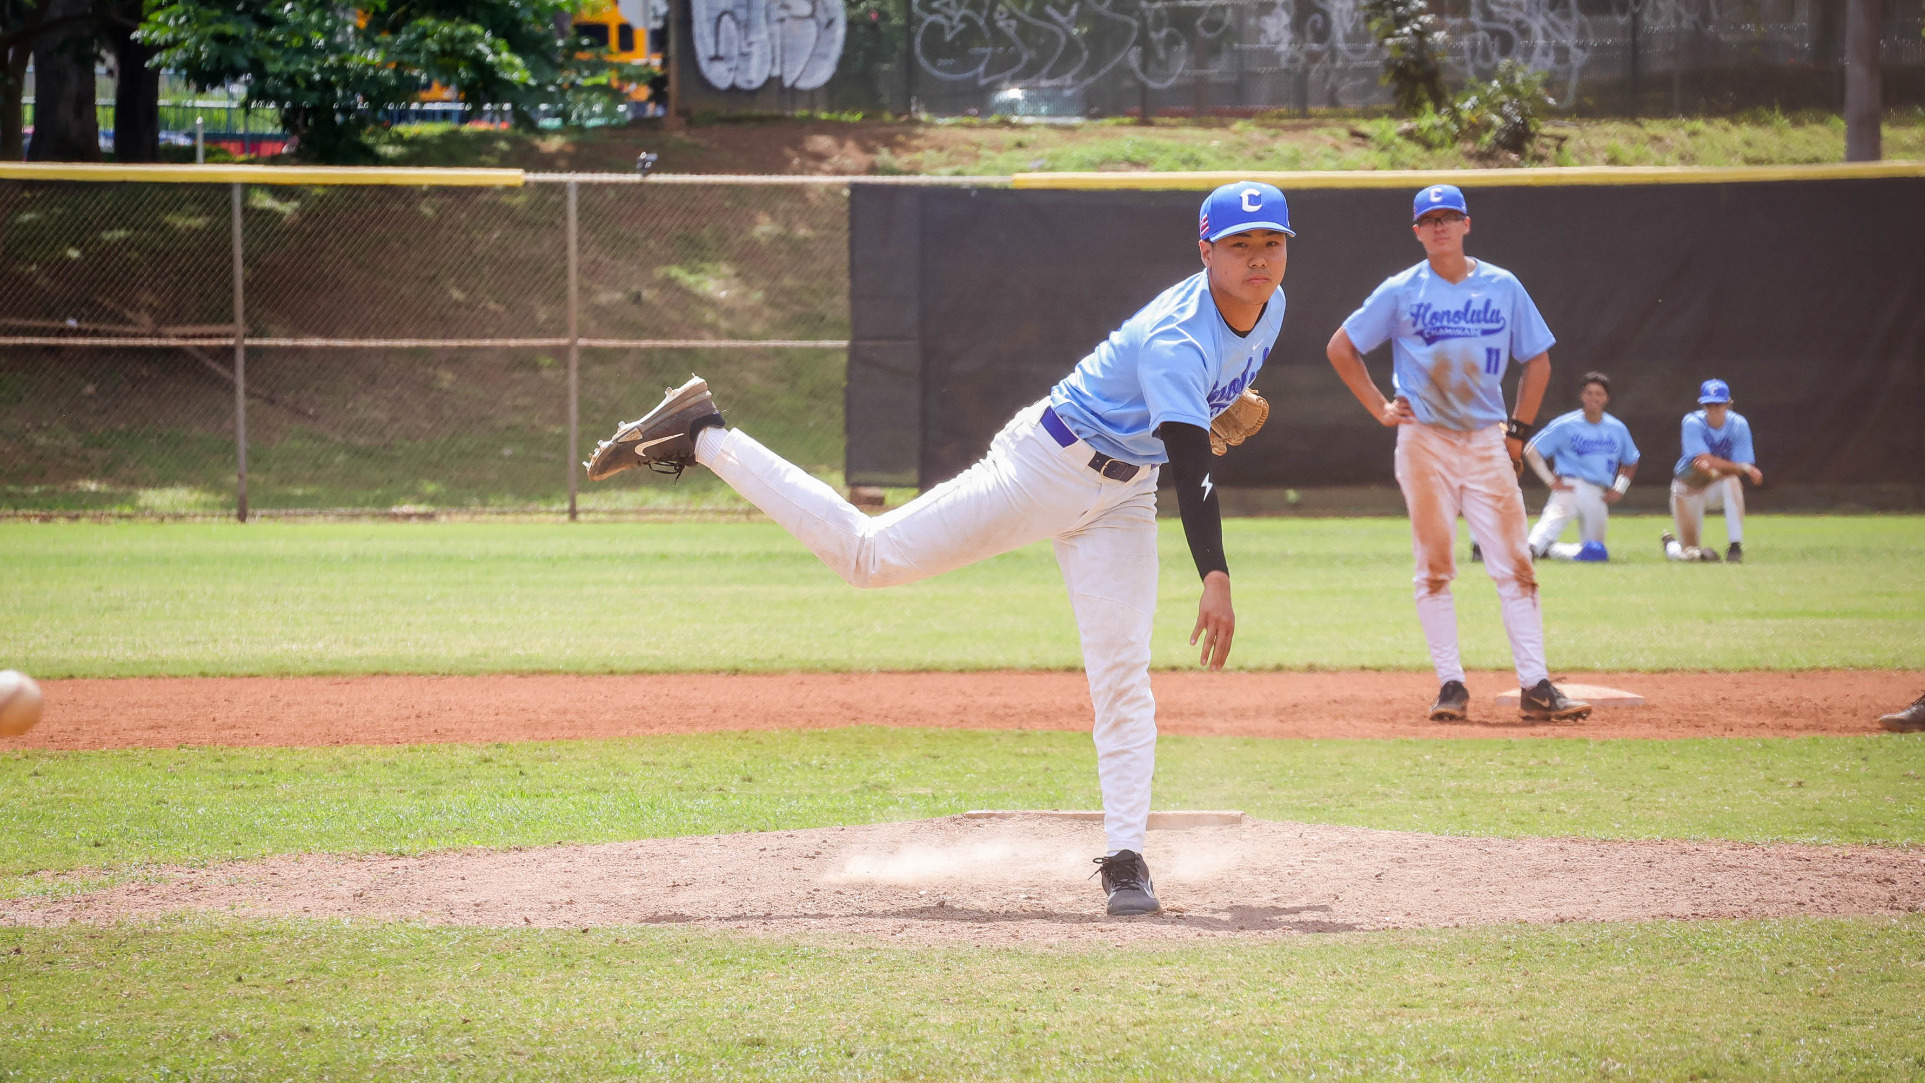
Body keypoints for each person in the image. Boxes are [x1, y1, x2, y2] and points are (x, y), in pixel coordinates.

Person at [584, 181, 1294, 917]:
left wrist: (1209, 402)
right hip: (1044, 467)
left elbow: (1190, 412)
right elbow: (1193, 465)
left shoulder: (1269, 306)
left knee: (1122, 674)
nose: (1257, 259)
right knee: (869, 558)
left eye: (1270, 243)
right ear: (1204, 251)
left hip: (1124, 493)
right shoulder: (1178, 339)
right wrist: (1214, 573)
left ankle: (1125, 858)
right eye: (1238, 245)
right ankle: (704, 435)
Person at [1325, 183, 1591, 724]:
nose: (1440, 226)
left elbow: (1537, 360)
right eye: (1430, 220)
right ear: (1417, 231)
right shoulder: (1402, 290)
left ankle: (1536, 686)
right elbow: (1341, 347)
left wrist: (1517, 433)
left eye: (1449, 217)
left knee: (1516, 565)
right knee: (1435, 566)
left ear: (1466, 224)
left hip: (1487, 438)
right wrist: (1380, 407)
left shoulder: (1502, 285)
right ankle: (1451, 686)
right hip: (1424, 440)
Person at [1522, 371, 1640, 562]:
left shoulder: (1616, 428)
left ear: (1606, 398)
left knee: (1595, 553)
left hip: (1598, 492)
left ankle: (1551, 551)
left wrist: (1620, 488)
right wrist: (1550, 480)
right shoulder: (1567, 424)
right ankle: (1530, 550)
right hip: (1570, 486)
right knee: (1547, 528)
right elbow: (1531, 450)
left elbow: (1631, 460)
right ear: (1582, 396)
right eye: (1589, 393)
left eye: (1599, 394)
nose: (1594, 398)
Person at [1662, 379, 1760, 563]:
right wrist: (1742, 467)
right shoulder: (1692, 421)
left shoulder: (1738, 424)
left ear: (1728, 404)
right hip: (1687, 488)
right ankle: (1671, 545)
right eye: (1709, 404)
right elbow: (1705, 459)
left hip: (1715, 486)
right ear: (1702, 405)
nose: (1714, 409)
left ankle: (1735, 546)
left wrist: (1719, 470)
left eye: (1719, 404)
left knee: (1732, 482)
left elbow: (1734, 470)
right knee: (1691, 553)